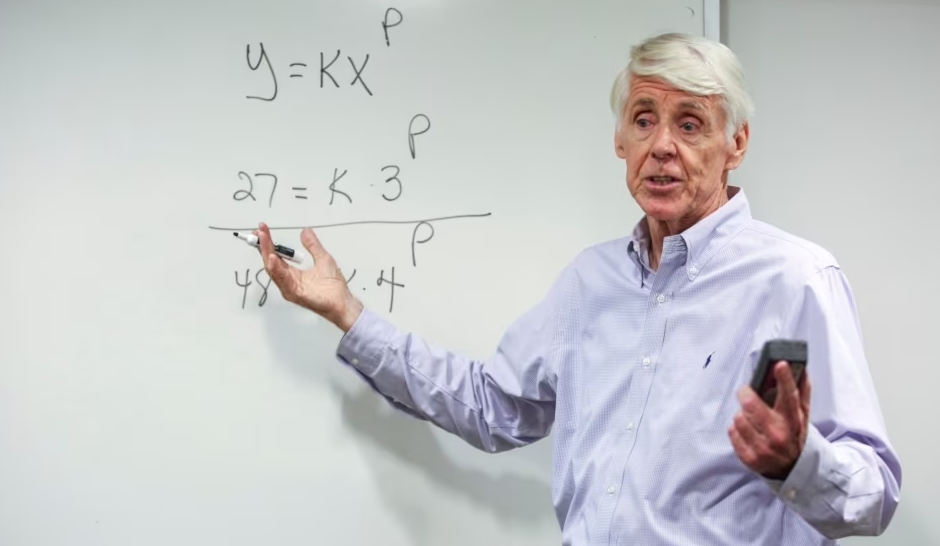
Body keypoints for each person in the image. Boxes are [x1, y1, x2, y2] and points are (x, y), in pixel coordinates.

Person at [253, 32, 902, 545]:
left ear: (737, 142)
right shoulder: (592, 282)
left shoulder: (795, 279)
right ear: (619, 141)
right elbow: (491, 406)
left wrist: (799, 461)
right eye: (644, 120)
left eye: (691, 124)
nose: (663, 147)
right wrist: (347, 313)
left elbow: (873, 496)